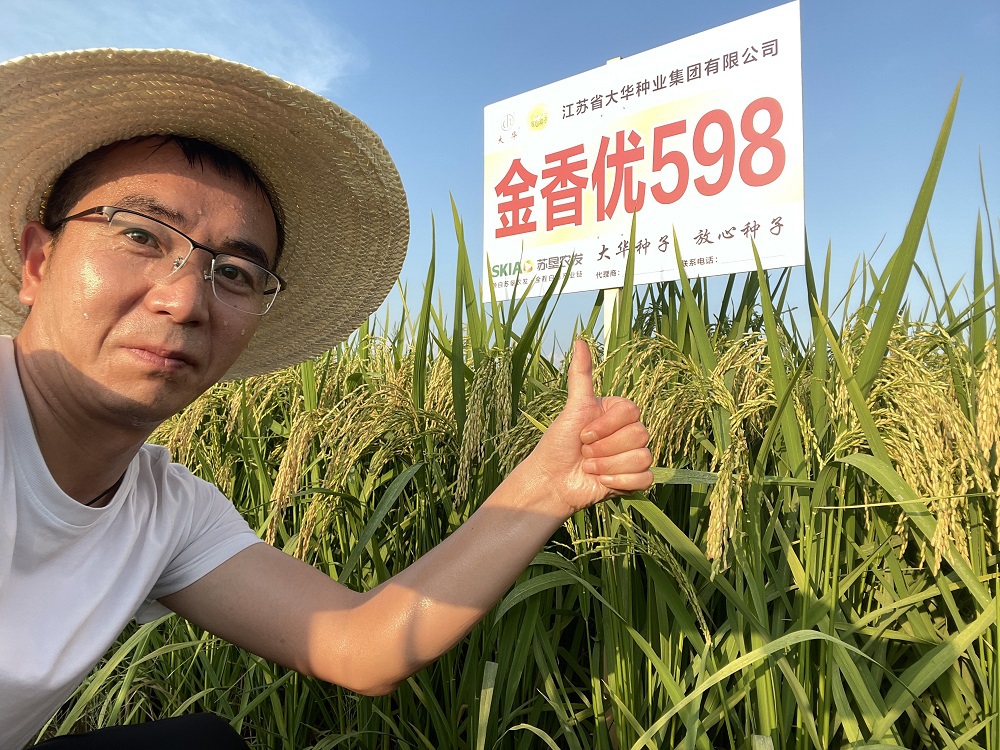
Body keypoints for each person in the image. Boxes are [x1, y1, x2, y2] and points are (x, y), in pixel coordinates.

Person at [0, 49, 653, 748]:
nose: (184, 300)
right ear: (38, 262)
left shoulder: (165, 510)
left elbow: (359, 643)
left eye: (236, 272)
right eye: (139, 235)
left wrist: (547, 485)